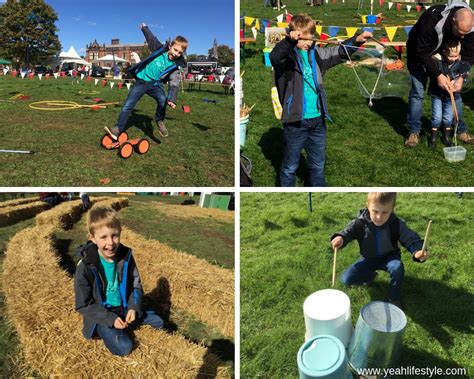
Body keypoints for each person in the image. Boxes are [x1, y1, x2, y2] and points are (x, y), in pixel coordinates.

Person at [270, 14, 372, 186]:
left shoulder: (316, 54)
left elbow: (339, 52)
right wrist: (288, 42)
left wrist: (357, 40)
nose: (308, 43)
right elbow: (275, 57)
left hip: (318, 120)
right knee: (290, 167)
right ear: (295, 35)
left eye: (311, 38)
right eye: (304, 39)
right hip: (295, 123)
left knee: (318, 166)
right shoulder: (287, 59)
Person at [74, 206, 164, 356]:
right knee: (124, 348)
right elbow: (83, 304)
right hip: (103, 314)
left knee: (159, 322)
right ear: (92, 238)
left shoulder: (126, 257)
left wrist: (133, 307)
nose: (110, 243)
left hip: (123, 307)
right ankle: (106, 329)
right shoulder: (85, 266)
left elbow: (136, 285)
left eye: (114, 235)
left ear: (120, 232)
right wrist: (110, 318)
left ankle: (129, 317)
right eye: (103, 237)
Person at [330, 192, 429, 308]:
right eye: (375, 211)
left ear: (392, 209)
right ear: (368, 206)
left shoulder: (396, 224)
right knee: (346, 279)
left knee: (397, 268)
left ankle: (393, 298)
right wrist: (340, 238)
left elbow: (410, 238)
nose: (379, 217)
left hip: (390, 257)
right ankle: (370, 276)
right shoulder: (359, 223)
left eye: (385, 212)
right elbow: (347, 233)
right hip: (368, 258)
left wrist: (417, 250)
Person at [405, 0, 474, 147]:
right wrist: (438, 74)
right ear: (453, 21)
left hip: (447, 55)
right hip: (419, 53)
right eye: (460, 33)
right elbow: (421, 51)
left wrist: (460, 76)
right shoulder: (433, 18)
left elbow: (469, 54)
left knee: (456, 92)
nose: (462, 37)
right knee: (417, 92)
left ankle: (459, 129)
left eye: (465, 34)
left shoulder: (469, 27)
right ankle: (414, 131)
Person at [106, 23, 188, 140]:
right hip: (141, 82)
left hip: (154, 84)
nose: (176, 54)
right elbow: (151, 39)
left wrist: (172, 99)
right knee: (128, 105)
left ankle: (159, 120)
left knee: (162, 100)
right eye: (175, 50)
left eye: (179, 53)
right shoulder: (160, 49)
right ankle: (118, 128)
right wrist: (144, 28)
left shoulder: (176, 65)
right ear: (170, 46)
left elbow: (174, 81)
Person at [428, 40, 469, 148]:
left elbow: (464, 76)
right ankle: (433, 138)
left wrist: (456, 81)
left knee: (448, 117)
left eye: (456, 56)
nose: (454, 58)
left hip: (451, 96)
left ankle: (446, 137)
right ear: (444, 52)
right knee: (437, 117)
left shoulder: (460, 64)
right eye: (451, 56)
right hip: (437, 94)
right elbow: (433, 74)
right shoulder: (437, 61)